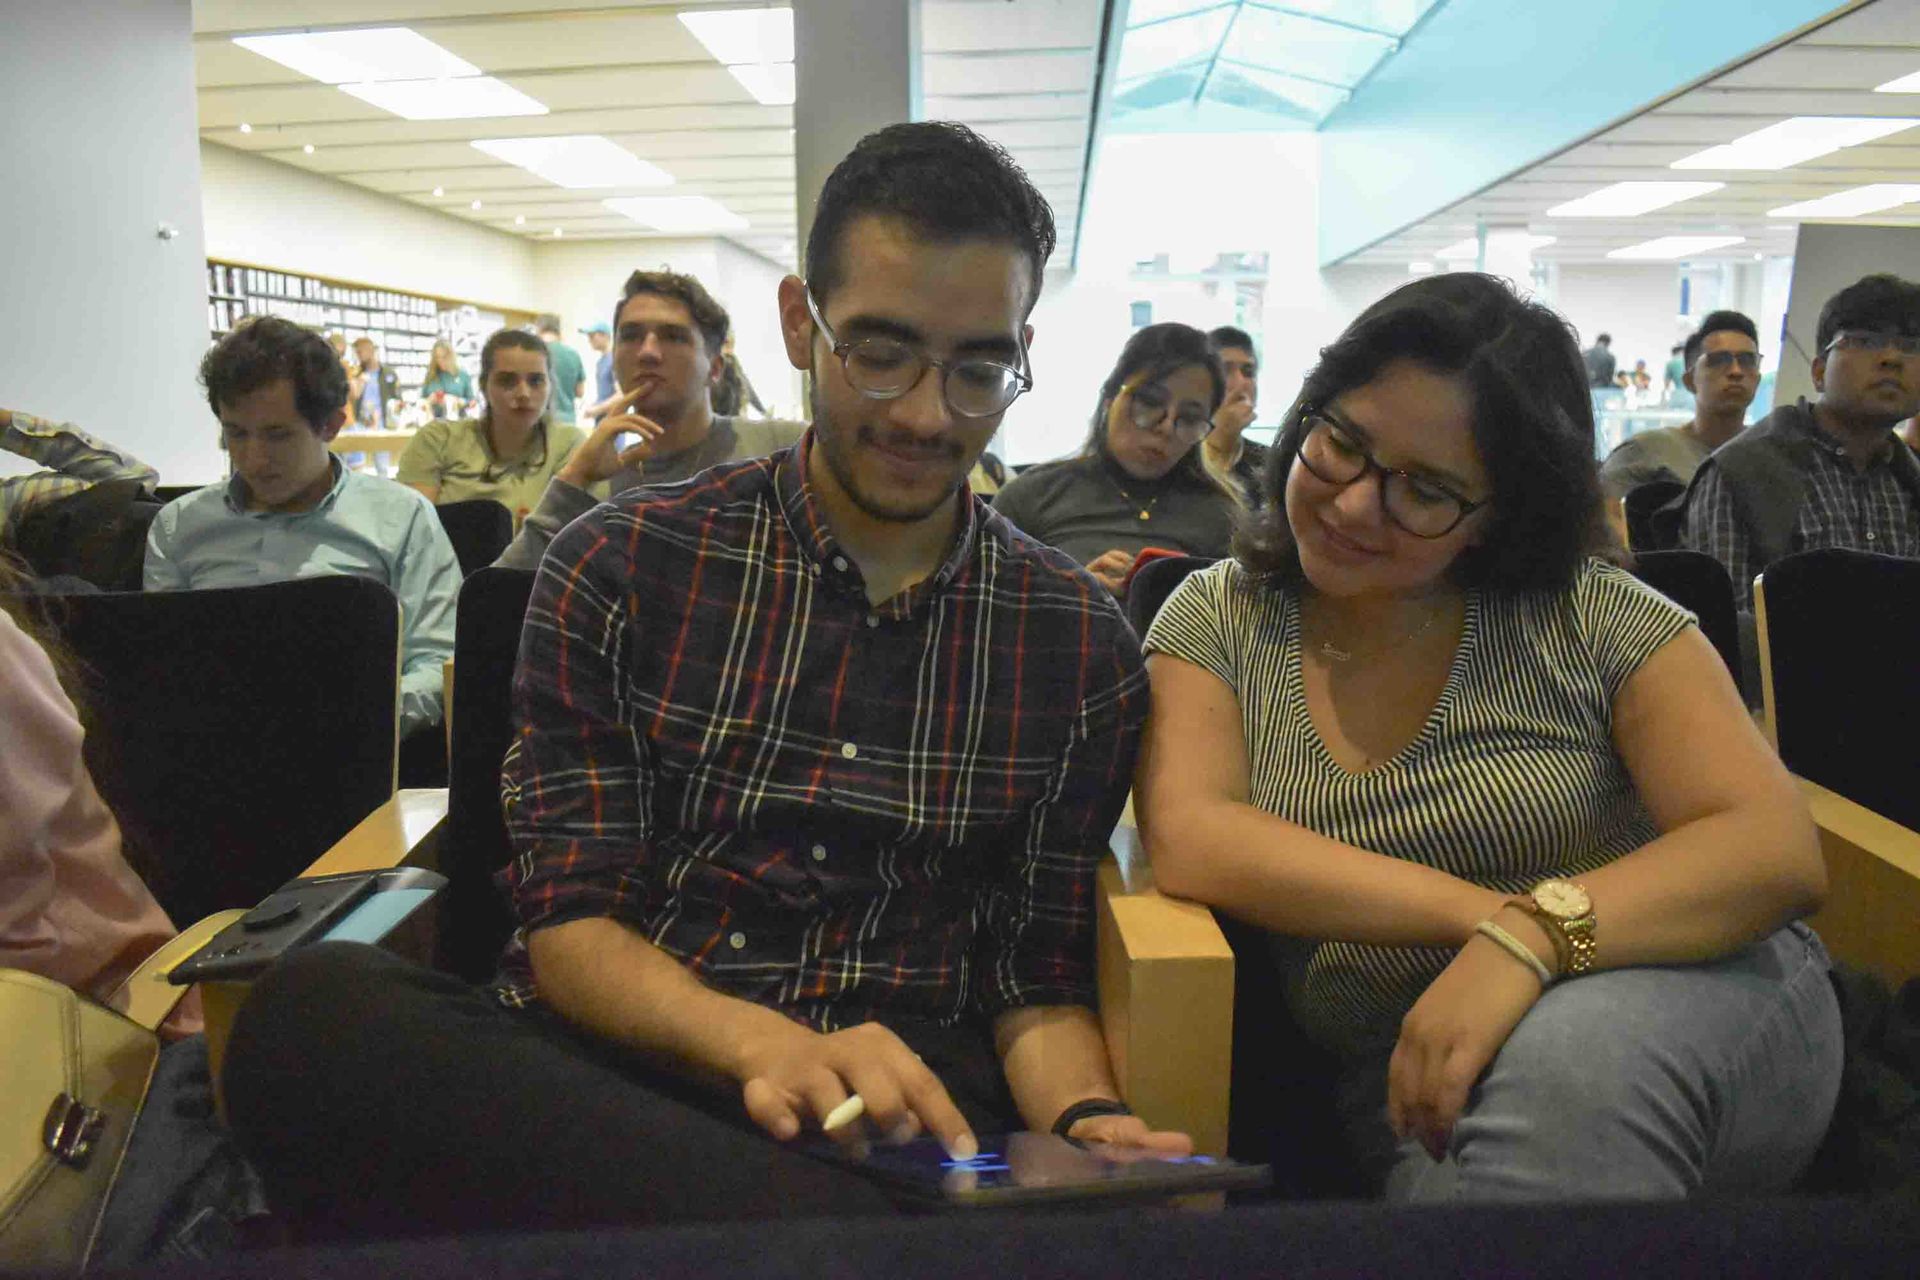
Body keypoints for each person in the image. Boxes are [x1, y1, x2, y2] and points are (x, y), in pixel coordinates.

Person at [221, 119, 1189, 1240]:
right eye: (880, 352)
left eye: (978, 369)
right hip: (618, 1081)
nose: (930, 414)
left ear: (1021, 346)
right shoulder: (621, 565)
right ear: (798, 323)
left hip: (893, 1118)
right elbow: (573, 921)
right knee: (315, 1010)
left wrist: (1090, 1115)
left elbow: (1034, 975)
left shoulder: (1075, 642)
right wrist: (764, 1044)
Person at [1135, 272, 1840, 1203]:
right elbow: (1195, 836)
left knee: (1570, 1076)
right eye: (1341, 443)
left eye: (1424, 492)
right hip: (1420, 1070)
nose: (1352, 506)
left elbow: (1772, 849)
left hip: (1694, 994)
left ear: (1501, 513)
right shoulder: (1218, 615)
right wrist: (1493, 926)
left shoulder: (1595, 615)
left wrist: (1540, 942)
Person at [144, 316, 459, 739]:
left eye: (278, 436)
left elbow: (439, 662)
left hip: (355, 750)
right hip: (210, 752)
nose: (253, 459)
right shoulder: (178, 526)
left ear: (331, 425)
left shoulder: (402, 518)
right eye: (235, 434)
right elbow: (161, 665)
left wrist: (350, 714)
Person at [495, 270, 805, 570]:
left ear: (714, 368)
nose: (647, 352)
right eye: (631, 336)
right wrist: (574, 477)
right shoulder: (594, 480)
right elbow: (500, 590)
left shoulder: (783, 448)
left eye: (672, 336)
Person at [1682, 273, 1920, 613]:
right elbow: (1727, 632)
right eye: (1865, 341)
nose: (1892, 359)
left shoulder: (1909, 479)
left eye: (1911, 346)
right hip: (1786, 666)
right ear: (1819, 372)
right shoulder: (1741, 474)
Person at [991, 323, 1237, 594]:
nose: (1166, 427)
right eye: (1150, 402)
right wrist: (1071, 590)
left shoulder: (1223, 516)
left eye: (1190, 418)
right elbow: (987, 608)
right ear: (1110, 398)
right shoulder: (1030, 497)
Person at [396, 329, 586, 525]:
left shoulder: (568, 444)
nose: (524, 393)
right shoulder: (437, 440)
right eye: (507, 381)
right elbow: (411, 535)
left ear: (550, 385)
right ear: (484, 386)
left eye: (536, 381)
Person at [1599, 310, 1759, 538]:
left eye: (1747, 360)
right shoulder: (1648, 450)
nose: (1735, 371)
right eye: (1719, 361)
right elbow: (1598, 522)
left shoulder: (1770, 454)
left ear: (1759, 376)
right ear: (1689, 380)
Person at [1202, 325, 1267, 505]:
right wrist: (1219, 439)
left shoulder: (1270, 462)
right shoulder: (1176, 457)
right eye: (1225, 371)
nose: (1242, 382)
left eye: (1248, 372)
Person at [536, 315, 585, 425]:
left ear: (539, 329)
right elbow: (580, 392)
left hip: (542, 422)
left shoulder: (536, 353)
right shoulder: (573, 355)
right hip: (568, 422)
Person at [711, 332, 767, 419]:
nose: (729, 347)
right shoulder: (716, 364)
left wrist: (763, 412)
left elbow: (748, 389)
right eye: (726, 343)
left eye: (730, 343)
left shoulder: (732, 361)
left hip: (734, 418)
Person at [349, 337, 398, 430]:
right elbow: (352, 399)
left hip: (384, 424)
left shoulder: (388, 373)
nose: (358, 356)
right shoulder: (356, 374)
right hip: (361, 425)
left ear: (370, 350)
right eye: (356, 353)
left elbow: (395, 397)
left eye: (360, 352)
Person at [418, 339, 474, 420]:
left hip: (458, 423)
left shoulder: (463, 375)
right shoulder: (430, 375)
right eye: (437, 357)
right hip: (434, 423)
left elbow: (471, 401)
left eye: (444, 357)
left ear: (451, 356)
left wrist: (459, 401)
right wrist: (429, 401)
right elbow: (421, 400)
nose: (441, 361)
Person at [582, 321, 615, 407]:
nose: (589, 340)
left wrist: (597, 409)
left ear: (605, 336)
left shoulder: (614, 360)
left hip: (613, 416)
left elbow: (621, 395)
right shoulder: (600, 362)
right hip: (602, 416)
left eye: (592, 336)